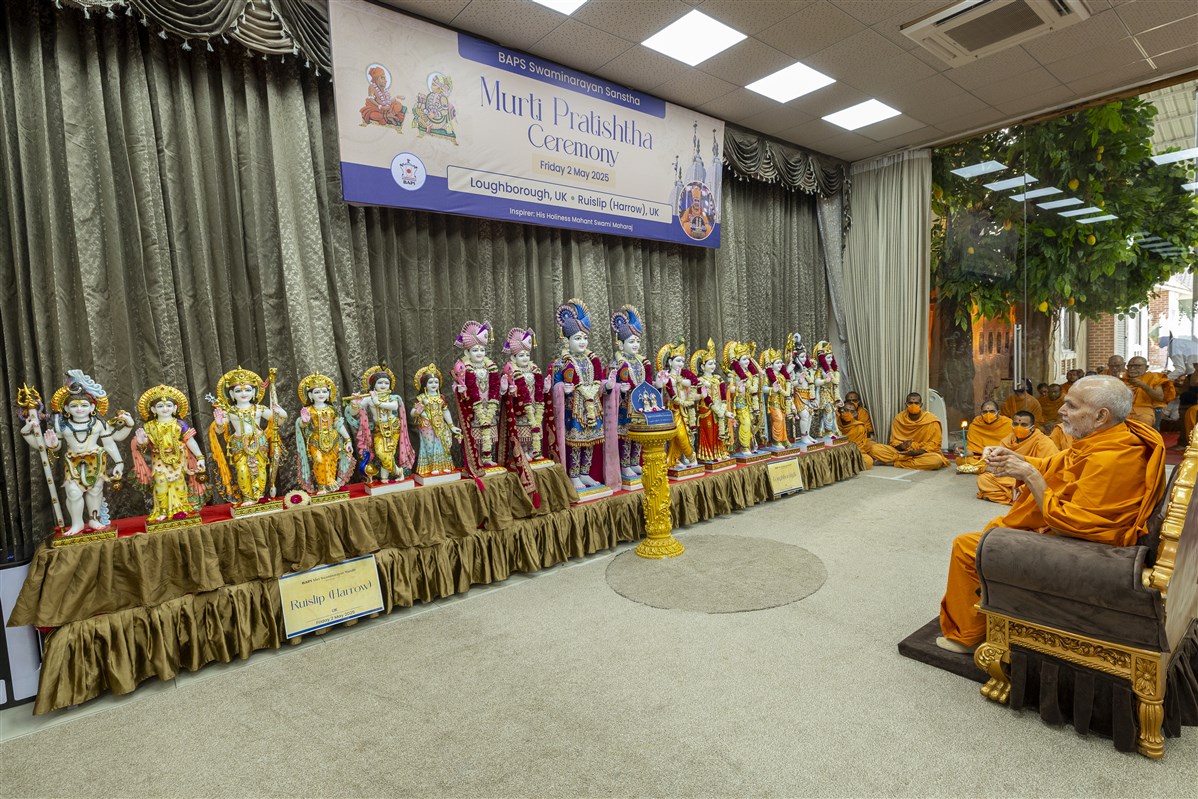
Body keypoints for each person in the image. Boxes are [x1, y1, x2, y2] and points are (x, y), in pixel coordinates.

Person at [936, 375, 1166, 652]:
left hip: (1086, 549)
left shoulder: (1114, 458)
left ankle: (967, 636)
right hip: (1071, 530)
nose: (1061, 410)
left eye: (1071, 405)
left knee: (967, 547)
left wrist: (1030, 476)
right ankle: (995, 607)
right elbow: (1054, 465)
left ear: (1100, 416)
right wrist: (1015, 458)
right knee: (996, 518)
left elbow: (1072, 524)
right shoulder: (1108, 437)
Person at [975, 410, 1058, 504]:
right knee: (984, 479)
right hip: (1010, 477)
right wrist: (990, 464)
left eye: (1023, 424)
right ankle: (1017, 496)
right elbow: (998, 466)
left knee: (1039, 486)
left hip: (1031, 478)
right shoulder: (1008, 440)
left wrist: (1022, 485)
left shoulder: (1044, 442)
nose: (1019, 427)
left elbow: (1050, 469)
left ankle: (1014, 494)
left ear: (1032, 427)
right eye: (1015, 424)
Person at [871, 393, 948, 470]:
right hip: (903, 452)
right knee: (874, 449)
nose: (913, 405)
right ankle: (909, 461)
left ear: (921, 405)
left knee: (936, 460)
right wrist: (902, 446)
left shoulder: (931, 420)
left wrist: (916, 452)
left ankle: (894, 463)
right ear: (906, 404)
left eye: (916, 403)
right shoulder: (899, 418)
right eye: (910, 403)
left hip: (922, 453)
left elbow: (935, 444)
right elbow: (894, 441)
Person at [1124, 356, 1175, 429]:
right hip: (1123, 410)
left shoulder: (1153, 377)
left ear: (1146, 367)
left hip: (1144, 410)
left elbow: (1159, 397)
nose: (1132, 368)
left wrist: (1143, 386)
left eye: (1137, 366)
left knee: (1144, 420)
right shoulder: (1122, 377)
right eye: (1130, 366)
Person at [837, 401, 874, 469]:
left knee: (868, 461)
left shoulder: (859, 427)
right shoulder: (835, 424)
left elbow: (858, 447)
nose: (848, 413)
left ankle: (845, 464)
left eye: (852, 411)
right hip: (838, 451)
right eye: (846, 410)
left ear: (855, 414)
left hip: (853, 452)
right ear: (840, 412)